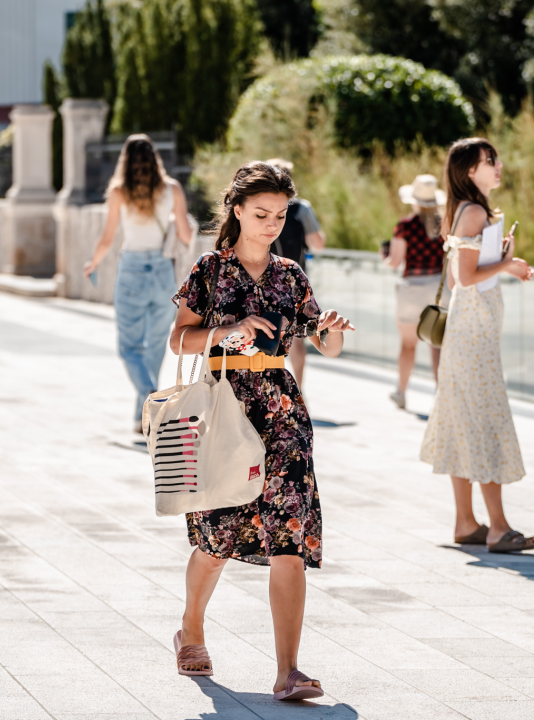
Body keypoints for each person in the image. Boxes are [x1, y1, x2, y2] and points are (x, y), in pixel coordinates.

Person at [167, 161, 353, 699]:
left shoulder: (292, 274)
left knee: (289, 538)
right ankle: (191, 627)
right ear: (237, 211)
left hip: (283, 414)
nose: (272, 224)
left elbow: (323, 343)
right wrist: (228, 329)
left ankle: (287, 670)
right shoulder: (210, 270)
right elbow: (178, 341)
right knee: (218, 536)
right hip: (225, 410)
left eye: (280, 215)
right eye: (261, 214)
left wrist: (331, 331)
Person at [420, 138, 534, 554]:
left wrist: (503, 258)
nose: (498, 166)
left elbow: (461, 278)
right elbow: (466, 275)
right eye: (490, 161)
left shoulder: (468, 211)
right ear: (470, 170)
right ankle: (498, 527)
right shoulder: (473, 212)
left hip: (470, 331)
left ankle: (466, 522)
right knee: (485, 420)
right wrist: (507, 263)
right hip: (473, 335)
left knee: (464, 420)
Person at [84, 134, 196, 433]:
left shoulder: (119, 191)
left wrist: (92, 263)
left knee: (129, 347)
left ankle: (148, 395)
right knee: (156, 345)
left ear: (126, 160)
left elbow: (108, 237)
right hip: (162, 270)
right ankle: (142, 416)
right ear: (155, 158)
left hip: (132, 268)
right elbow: (186, 236)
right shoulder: (172, 188)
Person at [382, 174, 449, 409]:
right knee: (437, 345)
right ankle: (441, 395)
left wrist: (386, 257)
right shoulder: (445, 224)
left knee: (408, 345)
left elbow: (395, 261)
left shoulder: (405, 226)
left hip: (412, 288)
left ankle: (401, 392)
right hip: (438, 289)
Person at [264, 158, 326, 390]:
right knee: (298, 338)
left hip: (263, 278)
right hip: (294, 282)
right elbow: (317, 244)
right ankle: (297, 390)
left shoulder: (259, 207)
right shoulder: (301, 209)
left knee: (267, 334)